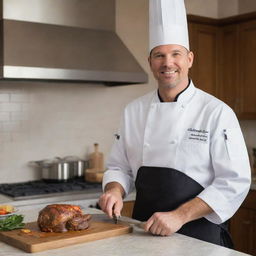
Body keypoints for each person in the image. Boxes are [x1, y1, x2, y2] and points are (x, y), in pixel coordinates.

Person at [99, 0, 251, 248]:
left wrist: (179, 216)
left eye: (175, 54)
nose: (167, 63)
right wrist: (115, 190)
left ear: (190, 59)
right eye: (159, 55)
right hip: (143, 233)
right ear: (150, 62)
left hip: (200, 238)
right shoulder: (133, 111)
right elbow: (119, 167)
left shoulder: (216, 112)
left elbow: (234, 181)